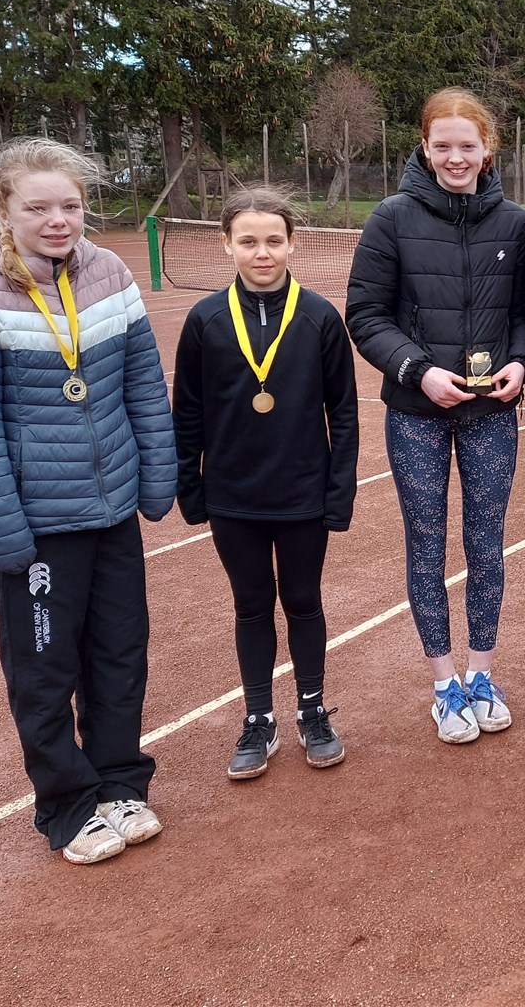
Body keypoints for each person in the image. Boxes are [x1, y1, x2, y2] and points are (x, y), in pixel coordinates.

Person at [0, 138, 176, 864]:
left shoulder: (109, 273)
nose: (57, 220)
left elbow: (143, 381)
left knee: (119, 655)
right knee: (44, 671)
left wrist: (156, 473)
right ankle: (68, 806)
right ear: (4, 209)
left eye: (69, 205)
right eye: (38, 207)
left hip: (110, 514)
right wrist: (2, 528)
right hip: (38, 526)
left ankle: (118, 782)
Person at [346, 88, 525, 744]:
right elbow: (365, 317)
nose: (456, 157)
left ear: (488, 151)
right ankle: (443, 684)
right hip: (415, 413)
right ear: (424, 149)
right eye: (443, 145)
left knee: (485, 544)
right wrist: (419, 372)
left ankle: (482, 675)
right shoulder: (390, 219)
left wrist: (521, 364)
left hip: (492, 413)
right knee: (426, 545)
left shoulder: (516, 224)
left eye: (468, 145)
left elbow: (524, 316)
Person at [173, 187, 359, 780]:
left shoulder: (320, 317)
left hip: (303, 493)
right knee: (251, 604)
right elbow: (189, 412)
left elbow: (346, 413)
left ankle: (311, 710)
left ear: (291, 244)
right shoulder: (204, 320)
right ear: (227, 244)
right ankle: (258, 717)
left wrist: (339, 492)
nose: (262, 253)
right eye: (248, 241)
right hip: (233, 497)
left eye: (273, 241)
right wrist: (191, 488)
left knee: (303, 601)